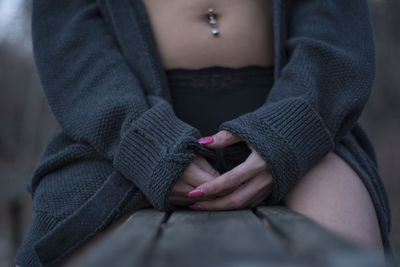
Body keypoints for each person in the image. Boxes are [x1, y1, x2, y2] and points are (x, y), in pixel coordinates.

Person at [15, 0, 395, 266]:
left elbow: (336, 34)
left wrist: (289, 133)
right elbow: (71, 47)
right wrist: (144, 142)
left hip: (303, 125)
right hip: (117, 140)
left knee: (350, 251)